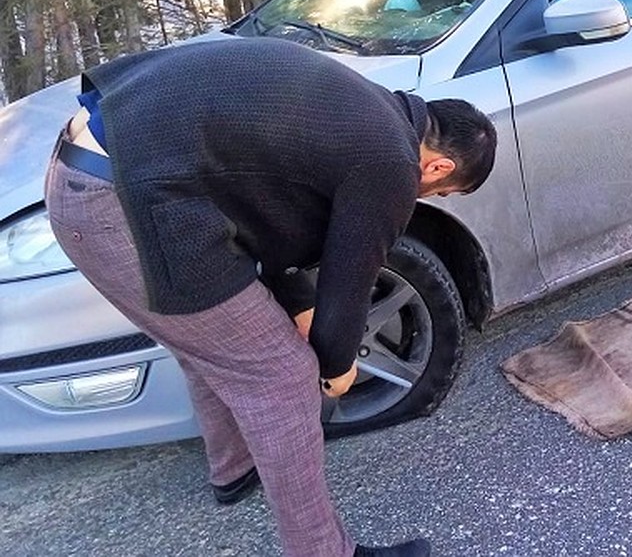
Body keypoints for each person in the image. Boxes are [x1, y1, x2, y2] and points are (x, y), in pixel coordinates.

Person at [43, 37, 498, 556]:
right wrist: (334, 363)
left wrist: (298, 304)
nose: (429, 198)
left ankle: (234, 469)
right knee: (282, 377)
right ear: (439, 168)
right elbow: (351, 276)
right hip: (121, 200)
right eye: (440, 193)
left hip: (90, 167)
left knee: (213, 342)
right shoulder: (392, 162)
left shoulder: (369, 109)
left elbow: (264, 208)